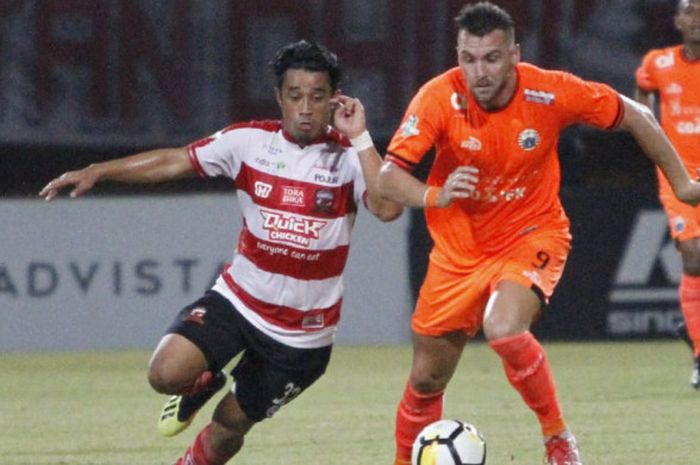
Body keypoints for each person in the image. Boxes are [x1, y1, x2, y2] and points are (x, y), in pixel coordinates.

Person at [39, 40, 402, 465]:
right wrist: (99, 171)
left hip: (302, 337)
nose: (306, 107)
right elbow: (174, 161)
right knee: (165, 374)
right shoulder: (248, 142)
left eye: (318, 97)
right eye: (295, 95)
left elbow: (389, 207)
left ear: (334, 100)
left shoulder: (350, 157)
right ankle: (200, 382)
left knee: (229, 425)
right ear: (279, 97)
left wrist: (360, 136)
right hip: (239, 303)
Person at [377, 2, 700, 465]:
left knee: (504, 329)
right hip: (458, 250)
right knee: (427, 379)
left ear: (514, 54)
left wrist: (684, 183)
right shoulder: (438, 96)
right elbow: (389, 179)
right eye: (468, 59)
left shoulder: (550, 91)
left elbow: (636, 115)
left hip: (533, 232)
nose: (479, 72)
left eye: (491, 58)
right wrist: (437, 194)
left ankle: (557, 439)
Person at [635, 0, 700, 390]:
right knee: (693, 256)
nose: (697, 18)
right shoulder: (658, 63)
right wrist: (651, 141)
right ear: (677, 20)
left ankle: (693, 330)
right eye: (690, 10)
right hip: (678, 177)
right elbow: (640, 101)